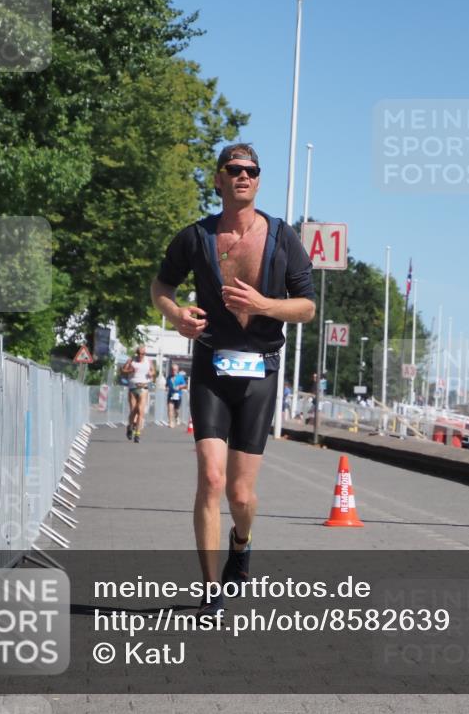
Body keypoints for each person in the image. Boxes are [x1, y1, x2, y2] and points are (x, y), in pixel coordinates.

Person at [150, 143, 316, 616]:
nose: (242, 176)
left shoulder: (283, 238)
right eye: (233, 170)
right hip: (210, 367)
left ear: (258, 180)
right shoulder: (195, 237)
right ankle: (210, 591)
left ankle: (241, 543)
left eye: (251, 170)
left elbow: (307, 306)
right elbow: (161, 288)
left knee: (241, 494)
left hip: (260, 370)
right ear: (219, 179)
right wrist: (176, 315)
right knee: (211, 477)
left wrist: (263, 305)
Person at [122, 346, 156, 443]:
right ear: (136, 353)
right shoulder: (131, 360)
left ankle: (137, 434)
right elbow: (123, 370)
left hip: (143, 388)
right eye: (139, 353)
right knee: (133, 410)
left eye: (143, 354)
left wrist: (151, 373)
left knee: (141, 411)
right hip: (133, 387)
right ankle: (130, 427)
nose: (141, 355)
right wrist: (130, 371)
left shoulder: (148, 361)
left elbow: (153, 371)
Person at [167, 363, 188, 428]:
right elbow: (167, 385)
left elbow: (185, 385)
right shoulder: (169, 377)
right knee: (170, 408)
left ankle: (177, 417)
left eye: (175, 370)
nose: (173, 371)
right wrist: (166, 387)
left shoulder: (180, 377)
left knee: (176, 410)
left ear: (177, 370)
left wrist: (179, 387)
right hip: (170, 395)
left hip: (178, 395)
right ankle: (171, 422)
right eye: (172, 370)